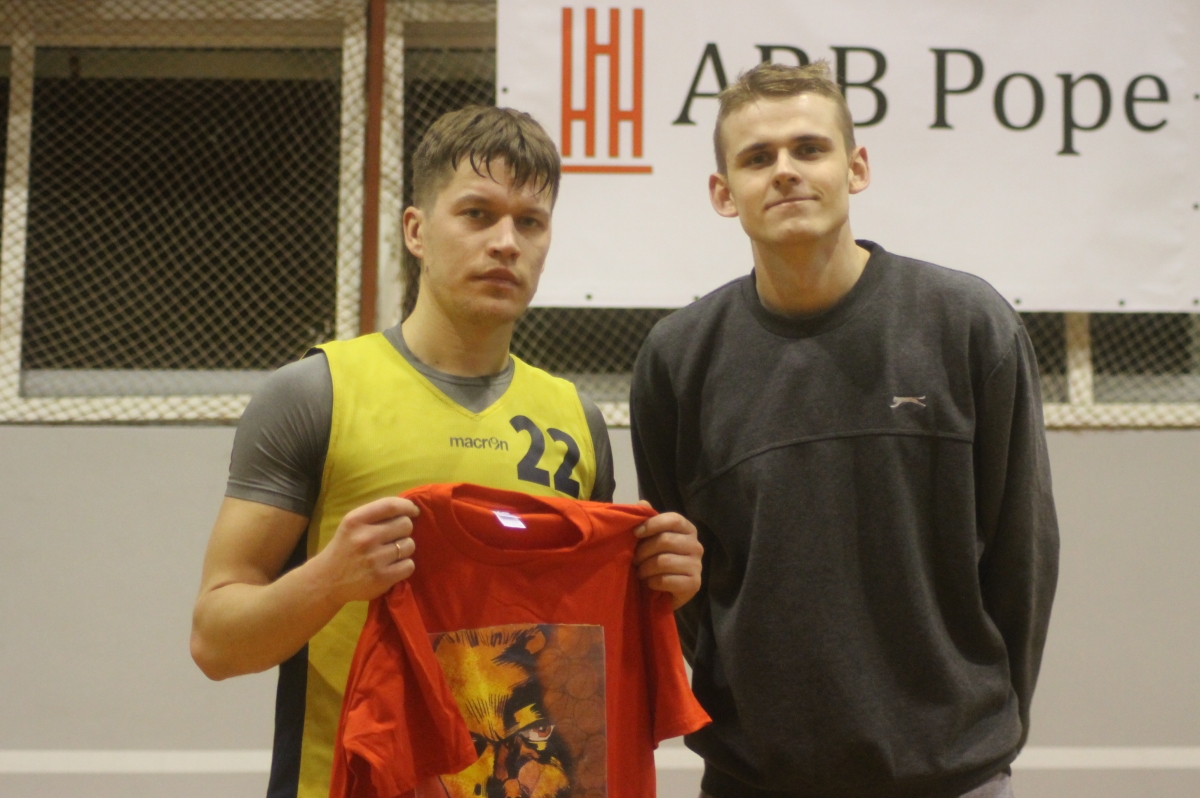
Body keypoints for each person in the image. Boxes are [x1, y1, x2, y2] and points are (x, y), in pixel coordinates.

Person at [190, 106, 703, 798]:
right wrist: (330, 579)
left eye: (530, 222)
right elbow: (215, 644)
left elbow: (583, 645)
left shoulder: (576, 420)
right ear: (416, 231)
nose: (505, 243)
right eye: (476, 214)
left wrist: (665, 586)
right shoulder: (315, 393)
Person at [630, 62, 1059, 798]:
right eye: (757, 158)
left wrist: (972, 731)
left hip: (953, 776)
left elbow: (1023, 557)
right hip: (755, 781)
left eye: (809, 148)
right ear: (723, 193)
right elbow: (682, 583)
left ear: (856, 168)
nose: (785, 171)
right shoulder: (677, 360)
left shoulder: (967, 325)